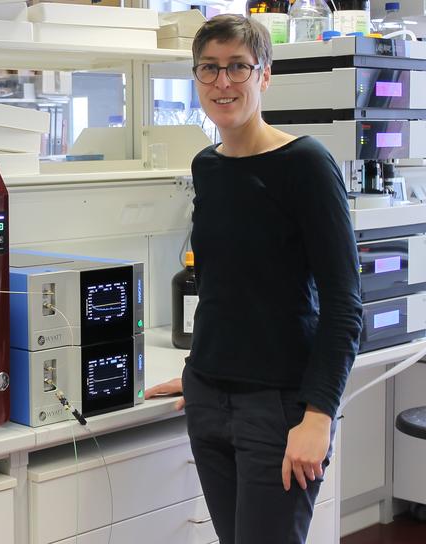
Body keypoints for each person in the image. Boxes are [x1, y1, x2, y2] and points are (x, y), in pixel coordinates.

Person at [147, 14, 364, 544]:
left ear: (264, 76)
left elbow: (345, 305)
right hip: (209, 397)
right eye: (209, 69)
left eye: (238, 67)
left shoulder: (306, 164)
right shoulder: (208, 166)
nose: (223, 82)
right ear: (196, 78)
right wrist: (203, 365)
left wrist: (319, 416)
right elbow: (223, 286)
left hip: (280, 407)